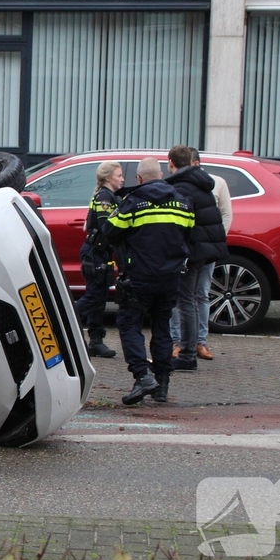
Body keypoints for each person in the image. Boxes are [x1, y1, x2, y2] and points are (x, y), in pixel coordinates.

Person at [99, 157, 193, 405]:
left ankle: (143, 376)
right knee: (162, 327)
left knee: (130, 325)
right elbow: (189, 232)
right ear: (160, 176)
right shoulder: (183, 203)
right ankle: (162, 383)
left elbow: (109, 231)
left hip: (138, 276)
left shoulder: (134, 203)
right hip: (170, 277)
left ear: (139, 179)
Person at [165, 145, 228, 372]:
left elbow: (179, 224)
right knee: (191, 299)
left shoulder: (181, 188)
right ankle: (190, 348)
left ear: (171, 162)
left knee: (185, 302)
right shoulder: (202, 184)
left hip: (189, 252)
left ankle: (187, 352)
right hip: (202, 251)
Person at [75, 162, 123, 359]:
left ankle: (96, 341)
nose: (122, 178)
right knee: (93, 297)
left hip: (102, 254)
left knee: (100, 298)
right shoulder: (104, 197)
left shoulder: (110, 196)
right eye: (119, 175)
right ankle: (63, 323)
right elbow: (107, 227)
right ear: (108, 178)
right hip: (95, 253)